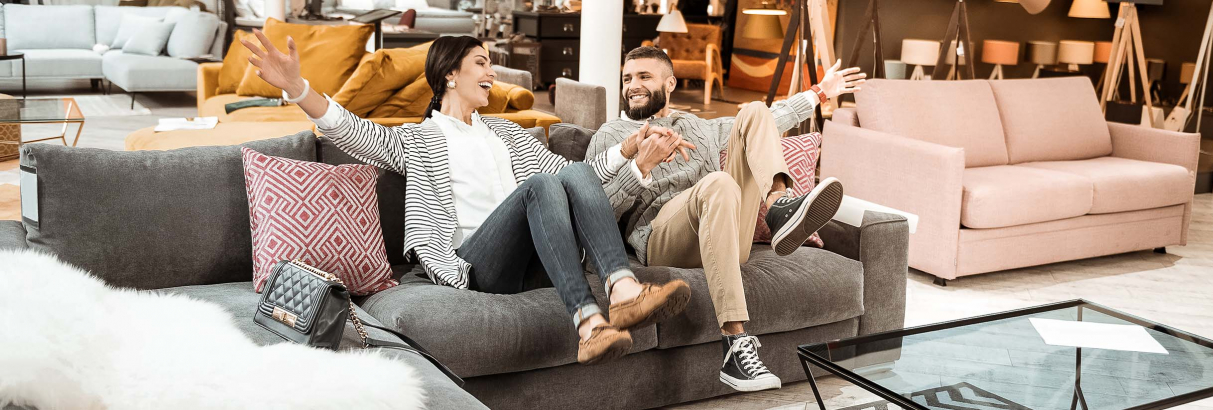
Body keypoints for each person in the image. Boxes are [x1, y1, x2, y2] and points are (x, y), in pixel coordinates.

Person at [243, 33, 693, 364]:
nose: (492, 72)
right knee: (536, 187)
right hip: (477, 265)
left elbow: (582, 178)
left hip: (539, 261)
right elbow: (350, 130)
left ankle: (622, 292)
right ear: (449, 74)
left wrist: (631, 149)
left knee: (569, 172)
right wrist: (298, 88)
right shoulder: (419, 140)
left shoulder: (507, 133)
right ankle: (586, 320)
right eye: (481, 63)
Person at [585, 46, 865, 390]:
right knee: (718, 182)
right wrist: (640, 166)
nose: (633, 86)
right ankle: (734, 343)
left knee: (756, 112)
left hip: (726, 236)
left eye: (644, 76)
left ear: (670, 83)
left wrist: (821, 92)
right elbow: (593, 212)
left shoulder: (695, 125)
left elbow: (773, 120)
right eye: (627, 78)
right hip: (663, 238)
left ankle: (779, 205)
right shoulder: (611, 136)